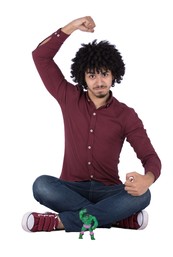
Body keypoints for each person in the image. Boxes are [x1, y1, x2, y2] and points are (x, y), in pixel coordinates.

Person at [22, 16, 161, 233]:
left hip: (109, 190)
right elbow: (40, 56)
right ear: (83, 77)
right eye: (92, 75)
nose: (99, 81)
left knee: (145, 194)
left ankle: (60, 222)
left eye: (104, 74)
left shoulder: (126, 115)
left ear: (114, 75)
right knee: (41, 185)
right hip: (70, 188)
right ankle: (114, 218)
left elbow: (151, 158)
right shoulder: (68, 97)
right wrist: (70, 28)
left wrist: (148, 178)